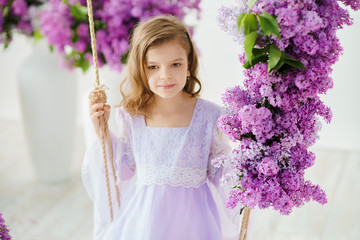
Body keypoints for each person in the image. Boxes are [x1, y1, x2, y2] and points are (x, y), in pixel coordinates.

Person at [82, 15, 241, 240]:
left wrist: (248, 164)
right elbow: (124, 167)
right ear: (141, 69)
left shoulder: (210, 115)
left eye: (175, 64)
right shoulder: (132, 115)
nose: (164, 75)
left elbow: (221, 172)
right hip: (146, 221)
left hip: (194, 224)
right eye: (153, 67)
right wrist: (103, 132)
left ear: (189, 66)